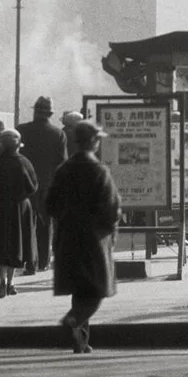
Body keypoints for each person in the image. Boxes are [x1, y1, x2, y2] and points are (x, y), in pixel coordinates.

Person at [47, 120, 120, 354]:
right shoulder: (99, 171)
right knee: (97, 290)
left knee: (81, 290)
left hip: (68, 237)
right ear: (93, 142)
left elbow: (50, 205)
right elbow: (111, 209)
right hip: (93, 240)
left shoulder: (64, 170)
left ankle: (80, 340)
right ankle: (73, 319)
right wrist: (109, 229)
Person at [0, 129, 38, 297]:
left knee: (1, 245)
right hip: (19, 208)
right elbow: (33, 187)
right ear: (18, 145)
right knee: (16, 244)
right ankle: (11, 282)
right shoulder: (24, 162)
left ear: (1, 144)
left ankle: (2, 280)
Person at [17, 94, 66, 275]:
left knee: (26, 225)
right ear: (50, 114)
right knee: (46, 225)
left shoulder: (21, 130)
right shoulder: (58, 134)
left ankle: (28, 262)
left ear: (35, 112)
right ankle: (43, 261)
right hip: (47, 186)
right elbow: (62, 163)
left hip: (24, 186)